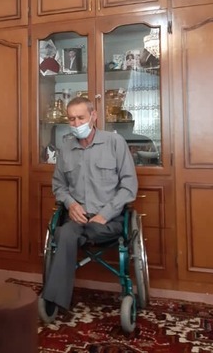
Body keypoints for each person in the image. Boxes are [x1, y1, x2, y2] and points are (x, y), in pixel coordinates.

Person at [39, 97, 137, 322]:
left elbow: (129, 186)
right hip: (78, 218)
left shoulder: (115, 143)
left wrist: (105, 214)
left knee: (88, 230)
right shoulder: (66, 148)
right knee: (63, 233)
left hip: (108, 220)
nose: (76, 124)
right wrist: (70, 204)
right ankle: (53, 301)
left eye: (81, 118)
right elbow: (59, 186)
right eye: (71, 119)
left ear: (93, 116)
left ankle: (85, 234)